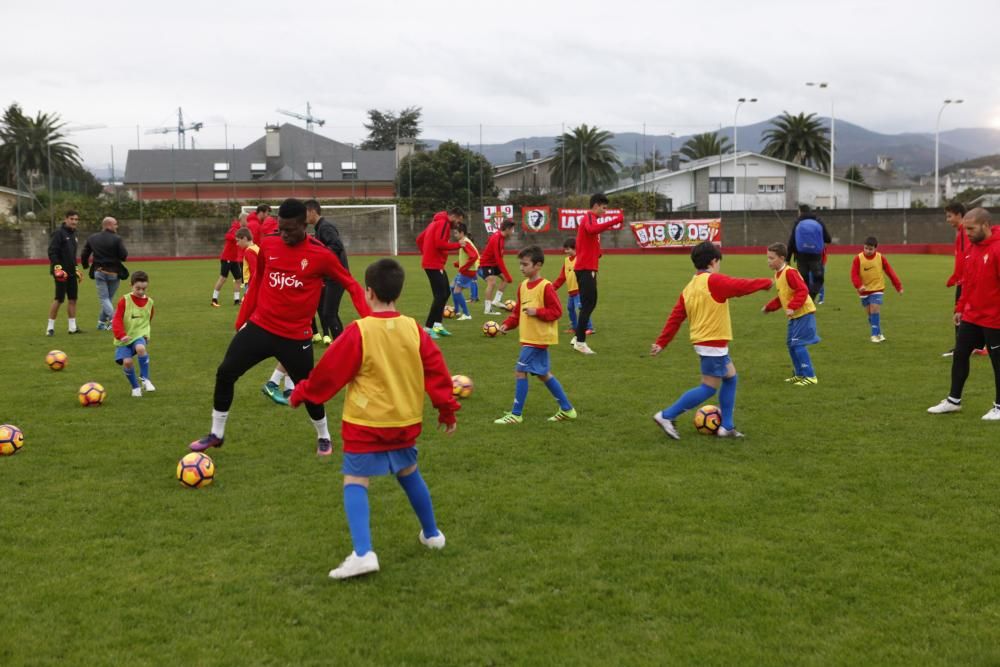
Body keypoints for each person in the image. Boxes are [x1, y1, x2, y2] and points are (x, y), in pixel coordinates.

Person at [288, 258, 459, 580]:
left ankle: (364, 553)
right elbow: (437, 372)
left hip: (366, 421)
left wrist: (302, 393)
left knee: (355, 481)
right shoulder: (414, 329)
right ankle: (433, 535)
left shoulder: (359, 331)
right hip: (405, 420)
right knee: (409, 473)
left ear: (368, 293)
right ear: (398, 292)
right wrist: (446, 408)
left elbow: (329, 373)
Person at [189, 198, 371, 456]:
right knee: (225, 372)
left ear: (303, 226)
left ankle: (324, 436)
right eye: (281, 229)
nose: (283, 234)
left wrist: (369, 319)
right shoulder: (270, 243)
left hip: (296, 337)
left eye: (290, 230)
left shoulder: (321, 255)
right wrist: (242, 320)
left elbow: (351, 284)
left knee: (309, 391)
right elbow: (260, 280)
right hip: (261, 327)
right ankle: (216, 434)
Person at [650, 241, 773, 439]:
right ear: (713, 261)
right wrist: (765, 283)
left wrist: (661, 342)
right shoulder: (712, 281)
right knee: (708, 387)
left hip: (708, 342)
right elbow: (739, 286)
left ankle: (727, 426)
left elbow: (676, 317)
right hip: (712, 343)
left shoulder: (690, 287)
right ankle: (666, 415)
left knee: (731, 378)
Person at [928, 207, 1000, 421]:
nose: (966, 233)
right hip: (972, 315)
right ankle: (953, 401)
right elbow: (967, 282)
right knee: (960, 354)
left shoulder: (997, 249)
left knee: (997, 362)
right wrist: (960, 307)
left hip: (994, 318)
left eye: (971, 228)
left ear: (985, 226)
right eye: (965, 229)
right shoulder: (972, 248)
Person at [493, 246, 577, 424]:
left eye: (525, 264)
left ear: (538, 265)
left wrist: (537, 311)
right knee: (543, 374)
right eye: (520, 265)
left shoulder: (546, 287)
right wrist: (507, 325)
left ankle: (516, 414)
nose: (521, 268)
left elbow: (556, 312)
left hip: (539, 338)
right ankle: (567, 409)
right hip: (528, 338)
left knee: (520, 371)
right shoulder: (522, 286)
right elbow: (517, 313)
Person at [572, 193, 623, 355]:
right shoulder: (589, 218)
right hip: (586, 269)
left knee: (589, 304)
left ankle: (577, 337)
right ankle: (580, 342)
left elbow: (586, 240)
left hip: (587, 267)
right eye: (604, 208)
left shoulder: (591, 219)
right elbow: (591, 229)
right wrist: (615, 221)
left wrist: (596, 253)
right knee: (588, 304)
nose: (605, 211)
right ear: (596, 206)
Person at [763, 242, 820, 385]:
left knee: (798, 344)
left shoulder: (790, 272)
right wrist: (769, 307)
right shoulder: (778, 275)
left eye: (771, 258)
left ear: (782, 258)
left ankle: (810, 376)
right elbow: (782, 296)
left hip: (803, 313)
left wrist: (793, 306)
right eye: (768, 258)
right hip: (795, 315)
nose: (768, 261)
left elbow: (803, 290)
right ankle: (800, 374)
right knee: (791, 344)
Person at [415, 207, 464, 339]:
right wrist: (458, 245)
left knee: (446, 293)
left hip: (434, 263)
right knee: (439, 295)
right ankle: (428, 328)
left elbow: (419, 239)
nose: (458, 224)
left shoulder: (435, 222)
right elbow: (439, 244)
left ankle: (437, 326)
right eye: (458, 221)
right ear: (454, 216)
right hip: (433, 264)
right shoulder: (443, 223)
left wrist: (427, 254)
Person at [306, 199, 349, 345]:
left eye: (305, 213)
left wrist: (319, 254)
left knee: (329, 313)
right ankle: (342, 344)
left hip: (337, 277)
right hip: (332, 277)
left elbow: (337, 246)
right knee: (330, 313)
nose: (304, 217)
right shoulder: (320, 228)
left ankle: (342, 346)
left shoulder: (325, 227)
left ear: (312, 211)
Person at [943, 202, 981, 357]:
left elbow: (967, 257)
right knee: (966, 312)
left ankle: (963, 347)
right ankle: (971, 345)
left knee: (961, 311)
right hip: (964, 279)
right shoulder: (961, 232)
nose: (947, 219)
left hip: (966, 281)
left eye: (949, 216)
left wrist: (959, 277)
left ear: (959, 215)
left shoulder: (965, 232)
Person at [850, 236, 904, 343]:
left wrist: (898, 286)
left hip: (877, 288)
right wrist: (859, 285)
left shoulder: (880, 258)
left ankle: (874, 335)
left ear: (876, 249)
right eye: (866, 248)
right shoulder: (858, 258)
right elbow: (853, 274)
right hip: (864, 291)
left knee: (875, 309)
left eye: (870, 249)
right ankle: (879, 332)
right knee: (870, 315)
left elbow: (890, 272)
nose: (867, 251)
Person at [111, 271, 155, 397]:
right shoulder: (124, 300)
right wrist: (121, 335)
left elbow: (148, 319)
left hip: (138, 335)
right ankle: (135, 388)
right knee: (127, 363)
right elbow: (117, 319)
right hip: (124, 338)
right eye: (138, 288)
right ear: (131, 285)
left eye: (144, 289)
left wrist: (146, 334)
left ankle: (145, 379)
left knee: (141, 348)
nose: (141, 291)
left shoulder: (150, 302)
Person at [81, 216, 129, 331]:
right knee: (107, 298)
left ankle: (101, 323)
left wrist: (85, 265)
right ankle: (114, 321)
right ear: (108, 225)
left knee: (105, 299)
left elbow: (84, 254)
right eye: (115, 224)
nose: (117, 226)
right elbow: (124, 256)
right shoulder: (117, 239)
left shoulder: (93, 238)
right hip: (114, 273)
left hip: (99, 271)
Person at [46, 209, 84, 336]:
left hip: (72, 272)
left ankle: (72, 328)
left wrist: (76, 269)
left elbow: (72, 256)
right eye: (72, 219)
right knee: (59, 299)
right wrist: (58, 268)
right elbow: (52, 252)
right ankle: (50, 328)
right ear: (66, 219)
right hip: (61, 272)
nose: (74, 222)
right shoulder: (59, 233)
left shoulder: (74, 234)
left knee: (73, 299)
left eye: (76, 219)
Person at [787, 204, 832, 300]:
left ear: (800, 212)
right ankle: (811, 297)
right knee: (818, 279)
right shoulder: (818, 221)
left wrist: (788, 258)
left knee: (803, 281)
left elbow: (791, 241)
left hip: (801, 256)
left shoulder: (798, 222)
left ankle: (806, 299)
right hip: (816, 256)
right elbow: (828, 239)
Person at [551, 237, 594, 335]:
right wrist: (553, 288)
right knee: (570, 308)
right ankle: (574, 327)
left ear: (575, 248)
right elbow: (562, 277)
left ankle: (590, 328)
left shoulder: (580, 259)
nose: (566, 251)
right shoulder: (566, 261)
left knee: (581, 309)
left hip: (580, 290)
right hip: (571, 291)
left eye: (568, 249)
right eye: (565, 249)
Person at [479, 219, 515, 315]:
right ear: (507, 229)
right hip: (487, 263)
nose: (512, 231)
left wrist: (507, 276)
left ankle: (496, 301)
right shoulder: (497, 238)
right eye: (512, 229)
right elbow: (499, 259)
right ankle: (487, 309)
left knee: (505, 280)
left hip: (493, 263)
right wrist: (508, 275)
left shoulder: (500, 237)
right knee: (492, 283)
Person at [211, 215, 245, 307]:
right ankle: (214, 299)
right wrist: (238, 238)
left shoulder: (240, 229)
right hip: (227, 258)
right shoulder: (234, 228)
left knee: (238, 279)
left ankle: (236, 300)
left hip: (234, 259)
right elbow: (228, 236)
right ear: (242, 219)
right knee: (223, 278)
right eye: (247, 220)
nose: (248, 222)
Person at [450, 222, 478, 320]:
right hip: (466, 270)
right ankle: (456, 311)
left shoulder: (464, 242)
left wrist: (464, 267)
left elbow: (474, 256)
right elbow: (468, 256)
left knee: (457, 291)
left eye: (456, 233)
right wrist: (458, 263)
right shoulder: (464, 241)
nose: (454, 235)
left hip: (468, 271)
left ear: (462, 232)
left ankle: (466, 314)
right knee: (452, 287)